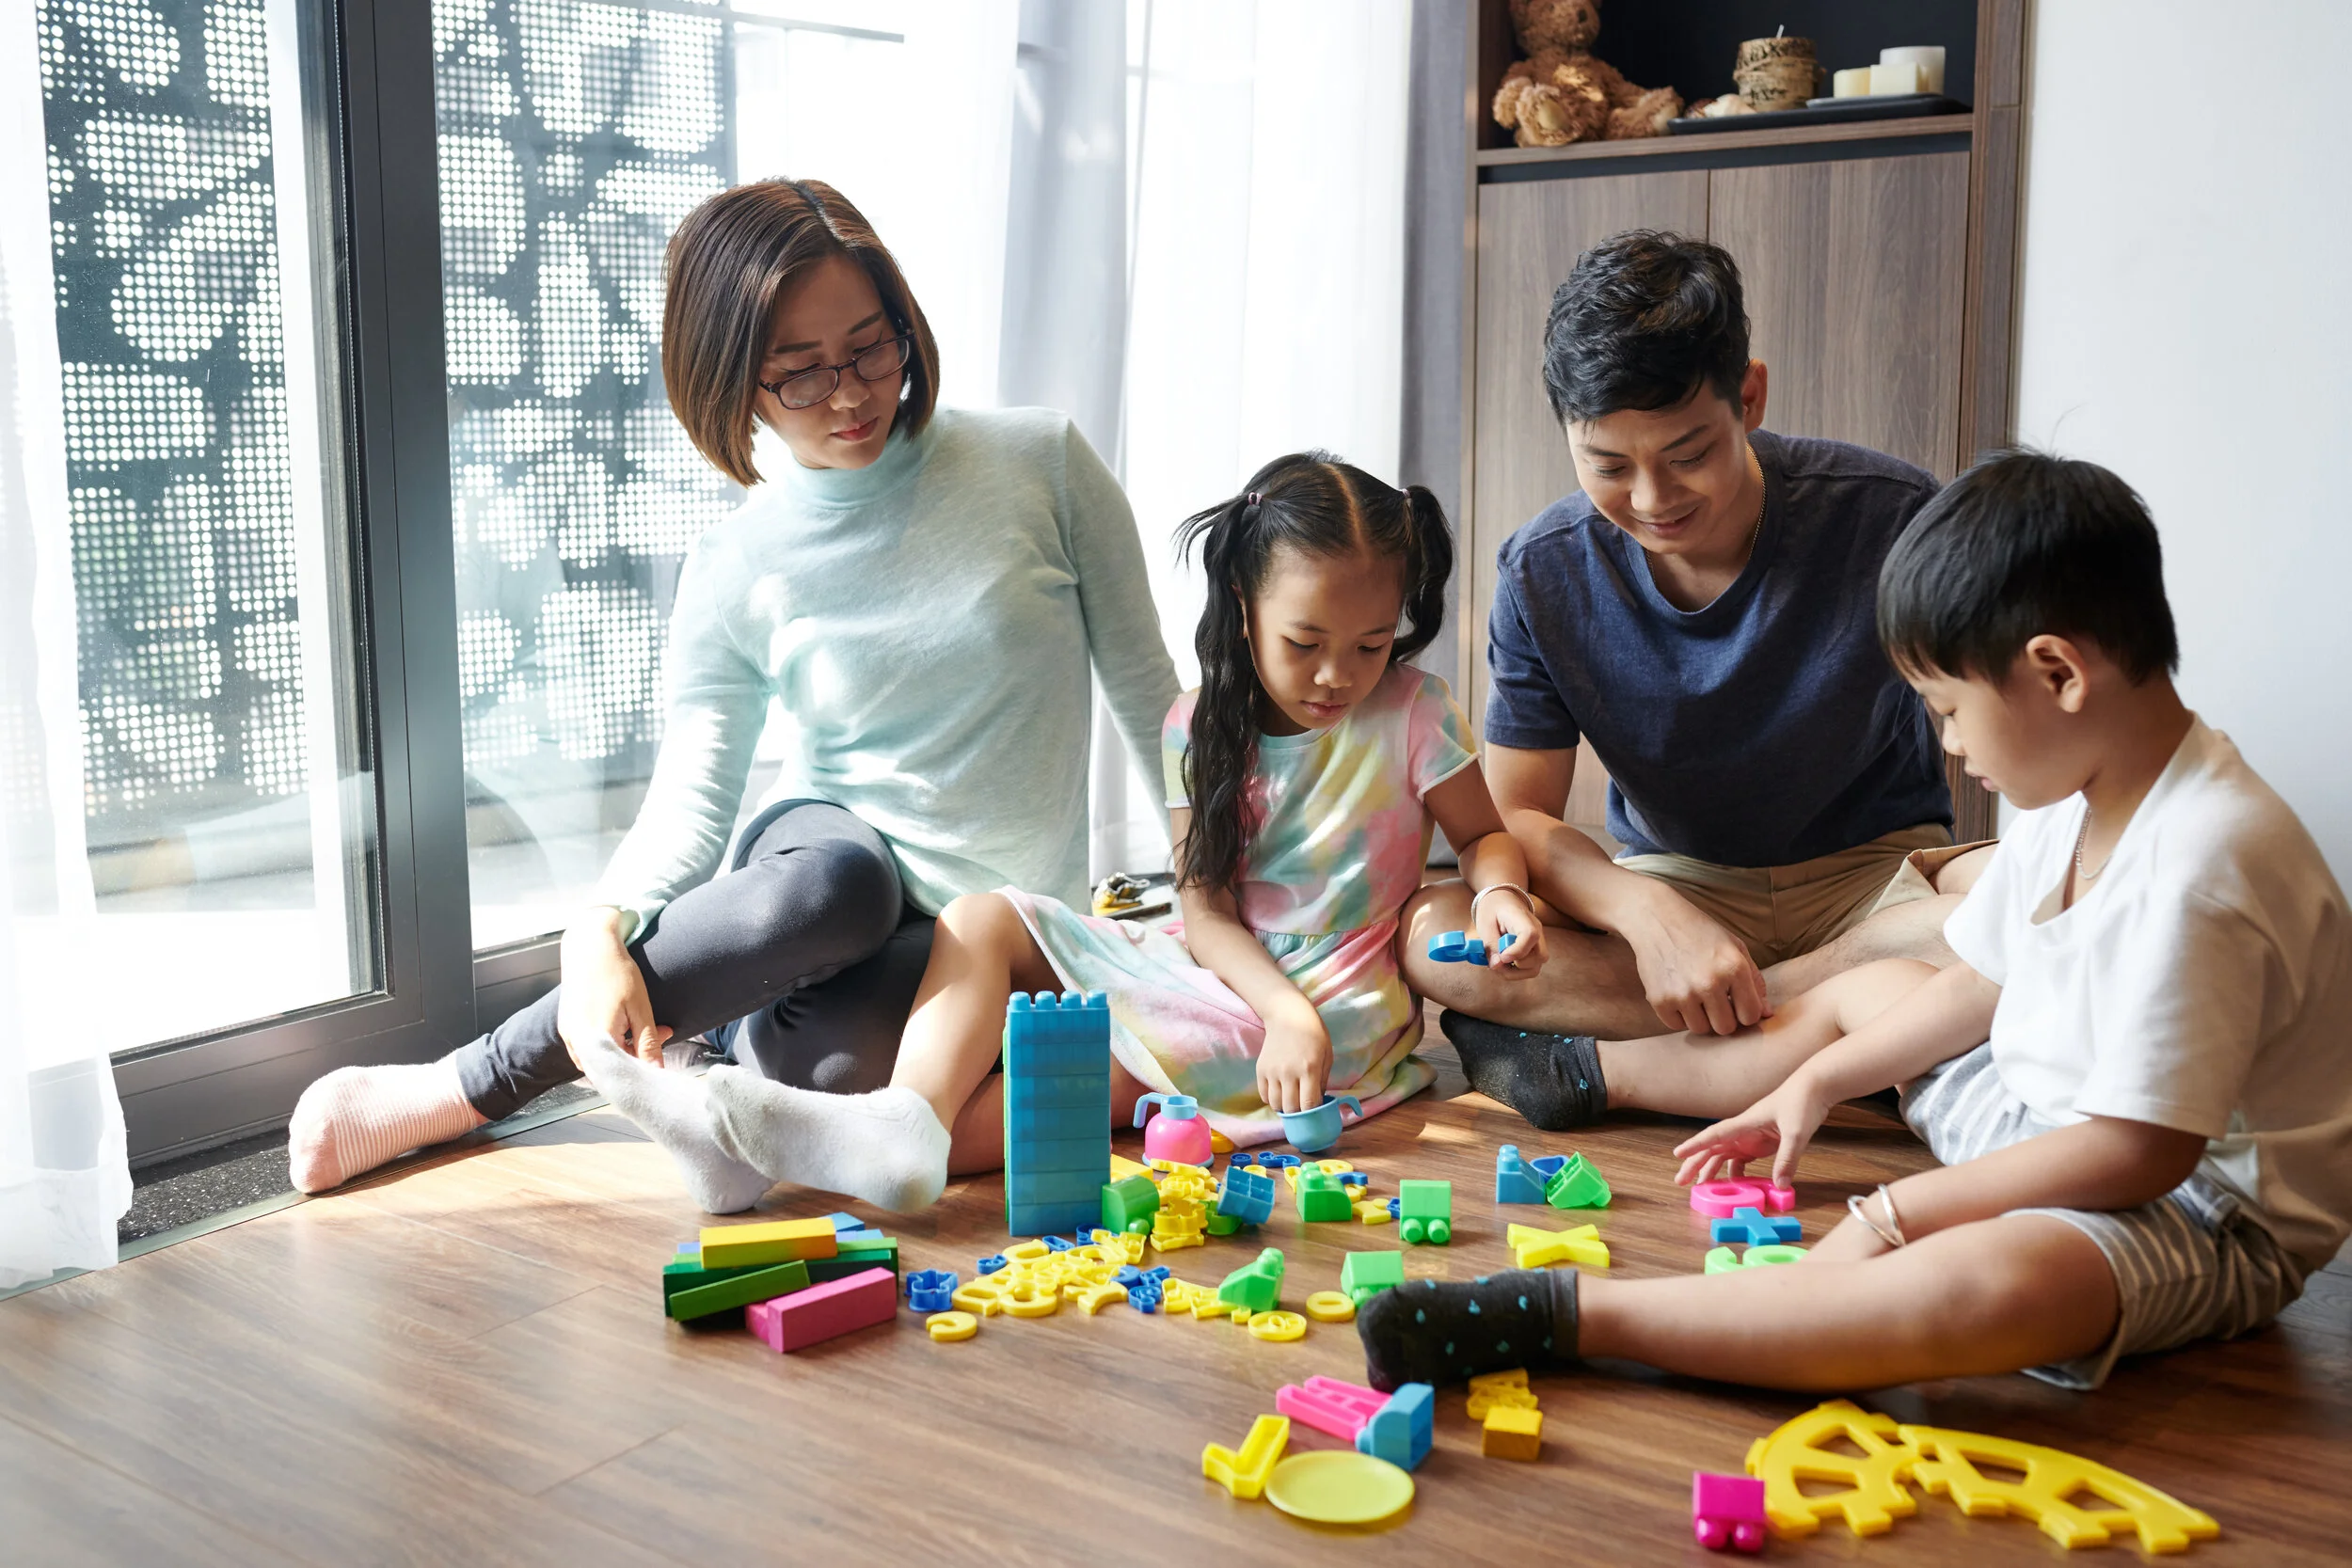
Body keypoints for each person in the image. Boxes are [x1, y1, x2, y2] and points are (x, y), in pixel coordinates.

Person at [1358, 451, 2352, 1395]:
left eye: (1950, 710)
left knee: (1978, 1282)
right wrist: (1814, 1083)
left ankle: (1573, 1316)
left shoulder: (2203, 864)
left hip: (2195, 1210)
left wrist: (1895, 1210)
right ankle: (1590, 1073)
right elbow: (1976, 982)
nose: (1953, 749)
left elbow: (2140, 1154)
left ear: (2057, 673)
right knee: (1871, 995)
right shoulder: (2080, 801)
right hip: (2049, 1116)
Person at [284, 179, 1177, 1194]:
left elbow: (1153, 700)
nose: (847, 394)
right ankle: (467, 1082)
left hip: (979, 934)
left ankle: (699, 1077)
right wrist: (600, 927)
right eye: (798, 372)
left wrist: (1231, 914)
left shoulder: (1040, 463)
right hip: (827, 867)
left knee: (840, 1080)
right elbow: (694, 797)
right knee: (844, 887)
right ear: (736, 383)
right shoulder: (738, 562)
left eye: (870, 347)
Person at [576, 452, 1550, 1212]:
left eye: (1371, 644)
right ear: (1245, 608)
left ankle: (820, 1146)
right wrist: (1270, 1002)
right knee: (985, 916)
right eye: (1306, 643)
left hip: (1331, 1008)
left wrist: (1499, 889)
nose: (1339, 674)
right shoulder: (1196, 726)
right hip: (1221, 965)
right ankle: (895, 1124)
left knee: (1084, 1075)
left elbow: (1480, 839)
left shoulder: (1417, 713)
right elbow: (1206, 914)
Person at [1408, 230, 1992, 1131]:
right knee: (1436, 935)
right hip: (1679, 883)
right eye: (1608, 465)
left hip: (1878, 882)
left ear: (1748, 396)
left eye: (1687, 454)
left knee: (2044, 907)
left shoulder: (1893, 516)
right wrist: (1649, 916)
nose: (1651, 498)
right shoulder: (1543, 569)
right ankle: (1846, 1020)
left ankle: (1652, 1052)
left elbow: (1996, 717)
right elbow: (1514, 818)